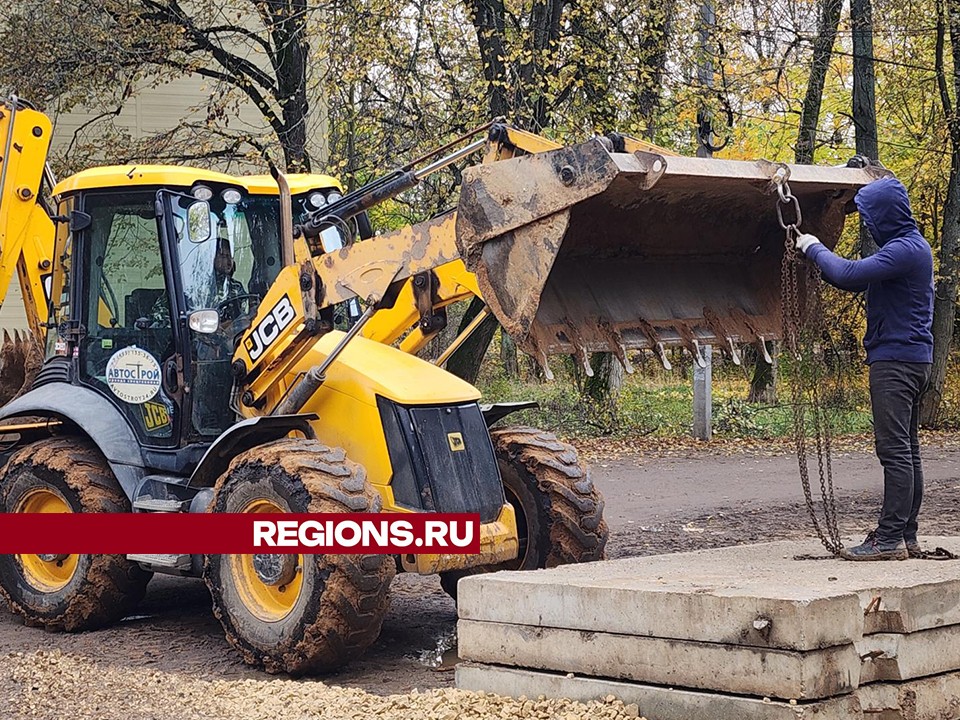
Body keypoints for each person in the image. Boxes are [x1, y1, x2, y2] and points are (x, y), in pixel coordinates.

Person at [795, 176, 934, 561]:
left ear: (887, 215)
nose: (868, 225)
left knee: (895, 453)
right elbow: (852, 284)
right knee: (908, 452)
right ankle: (905, 536)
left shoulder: (905, 249)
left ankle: (888, 539)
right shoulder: (909, 248)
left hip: (895, 363)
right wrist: (820, 262)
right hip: (913, 360)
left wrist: (813, 246)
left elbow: (849, 274)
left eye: (871, 216)